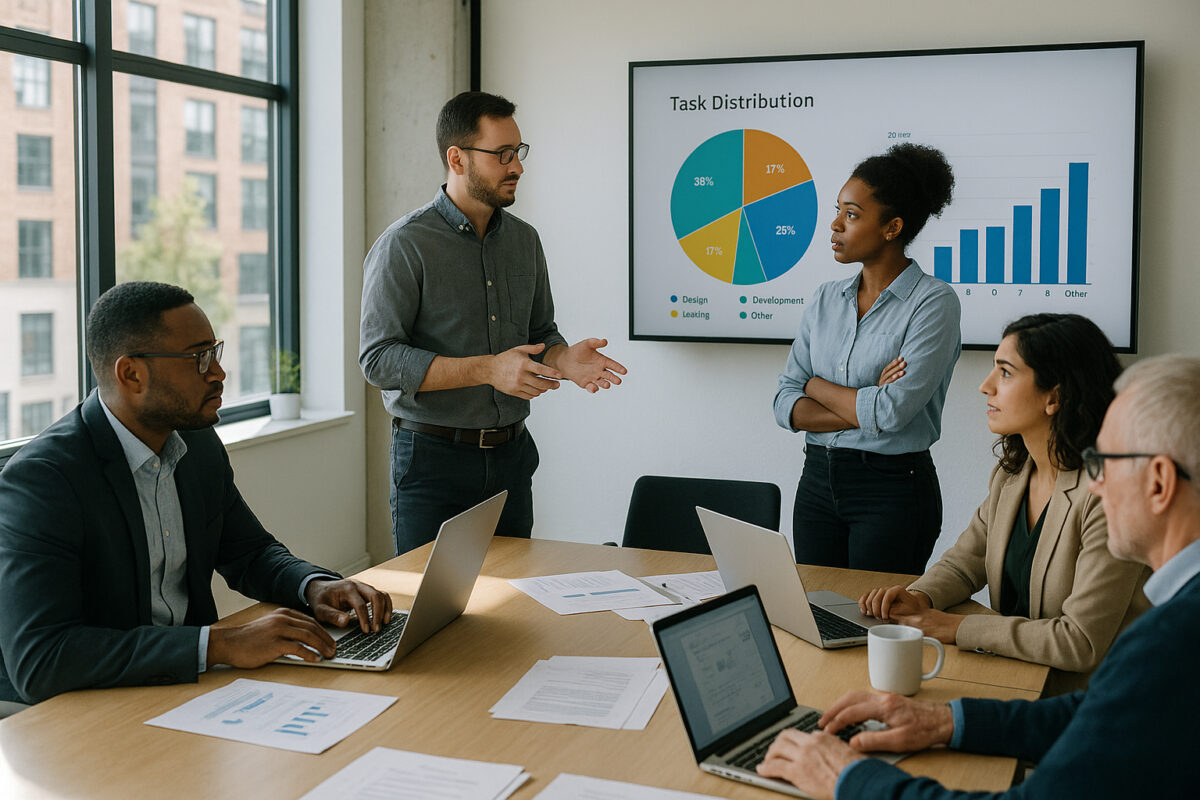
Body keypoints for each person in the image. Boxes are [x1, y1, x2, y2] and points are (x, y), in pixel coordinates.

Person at [755, 354, 1200, 799]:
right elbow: (1093, 715)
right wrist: (946, 721)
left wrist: (847, 779)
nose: (1095, 483)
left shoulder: (1170, 640)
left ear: (1159, 482)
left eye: (1105, 464)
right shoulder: (1174, 626)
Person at [0, 282, 394, 707]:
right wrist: (218, 645)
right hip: (80, 708)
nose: (218, 373)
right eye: (198, 358)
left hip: (187, 687)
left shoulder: (196, 445)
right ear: (131, 373)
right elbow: (41, 660)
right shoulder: (43, 481)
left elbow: (250, 552)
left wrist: (312, 586)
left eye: (215, 352)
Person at [360, 91, 627, 556]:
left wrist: (565, 358)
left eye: (518, 152)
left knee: (511, 612)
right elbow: (378, 360)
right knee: (432, 616)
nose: (517, 166)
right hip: (432, 461)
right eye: (501, 154)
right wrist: (487, 369)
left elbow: (541, 335)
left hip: (512, 458)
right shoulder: (404, 245)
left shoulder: (525, 241)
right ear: (457, 159)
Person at [858, 314, 1148, 694]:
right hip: (1020, 678)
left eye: (1006, 373)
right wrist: (918, 597)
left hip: (1093, 702)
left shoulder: (1108, 496)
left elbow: (1080, 642)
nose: (985, 386)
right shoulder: (1012, 475)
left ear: (1055, 397)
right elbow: (964, 564)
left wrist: (953, 627)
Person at [774, 143, 960, 573]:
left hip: (891, 489)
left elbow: (892, 412)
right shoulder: (825, 299)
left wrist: (816, 386)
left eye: (852, 214)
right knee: (819, 618)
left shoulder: (933, 303)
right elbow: (784, 403)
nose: (835, 225)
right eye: (838, 210)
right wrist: (865, 401)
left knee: (876, 627)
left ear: (892, 227)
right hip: (817, 480)